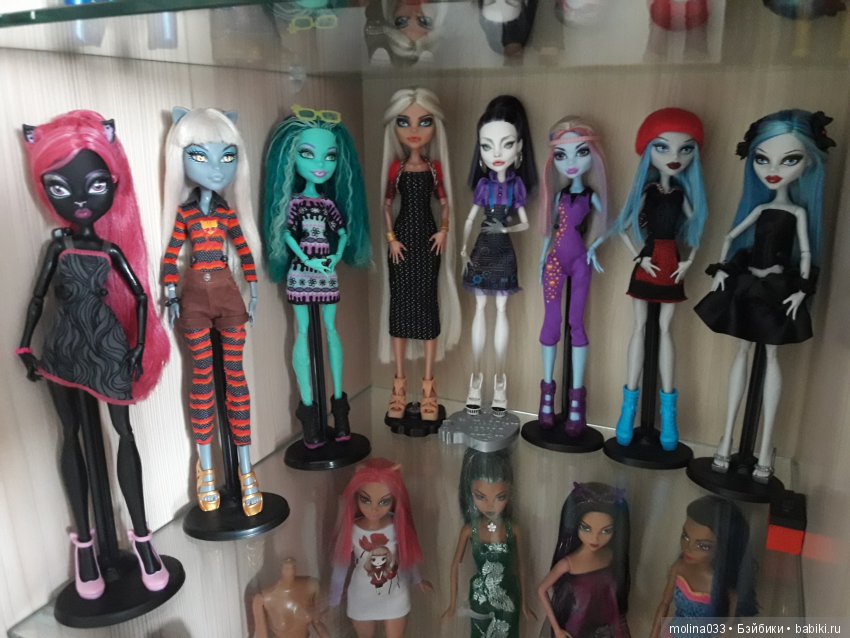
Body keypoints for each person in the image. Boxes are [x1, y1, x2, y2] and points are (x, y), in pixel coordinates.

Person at [18, 110, 170, 598]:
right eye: (61, 188)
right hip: (64, 346)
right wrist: (25, 343)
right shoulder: (57, 249)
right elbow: (38, 299)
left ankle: (142, 538)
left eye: (96, 184)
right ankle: (84, 544)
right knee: (71, 435)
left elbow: (141, 297)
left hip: (106, 345)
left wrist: (139, 346)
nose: (81, 199)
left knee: (124, 432)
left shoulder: (110, 250)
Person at [694, 109, 833, 482]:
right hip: (749, 283)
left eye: (789, 160)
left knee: (771, 357)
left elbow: (806, 253)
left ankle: (764, 448)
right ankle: (725, 441)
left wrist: (802, 289)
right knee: (741, 354)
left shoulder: (797, 212)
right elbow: (731, 235)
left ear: (808, 162)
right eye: (762, 159)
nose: (772, 169)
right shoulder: (760, 207)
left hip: (776, 289)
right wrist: (722, 267)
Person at [161, 107, 263, 516]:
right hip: (193, 298)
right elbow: (172, 252)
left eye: (227, 156)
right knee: (202, 378)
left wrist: (253, 288)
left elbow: (243, 250)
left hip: (227, 292)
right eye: (201, 156)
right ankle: (206, 470)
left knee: (235, 378)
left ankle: (245, 469)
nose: (217, 168)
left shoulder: (226, 214)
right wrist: (171, 291)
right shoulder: (185, 214)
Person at [591, 107, 708, 451]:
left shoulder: (683, 195)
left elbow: (697, 227)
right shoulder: (649, 191)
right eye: (663, 147)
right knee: (640, 328)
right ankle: (627, 409)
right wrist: (639, 256)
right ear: (648, 152)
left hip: (671, 264)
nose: (674, 157)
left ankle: (668, 414)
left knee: (666, 329)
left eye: (685, 149)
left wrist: (689, 261)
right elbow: (623, 226)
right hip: (649, 261)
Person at [263, 106, 370, 448]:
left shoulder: (328, 205)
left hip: (325, 270)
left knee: (331, 331)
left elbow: (342, 233)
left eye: (330, 156)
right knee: (303, 331)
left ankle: (339, 406)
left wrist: (334, 257)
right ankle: (309, 411)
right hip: (302, 271)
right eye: (308, 154)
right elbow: (287, 234)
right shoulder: (295, 204)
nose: (321, 164)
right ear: (291, 157)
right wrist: (308, 258)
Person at [378, 88, 461, 422]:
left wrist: (444, 230)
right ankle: (398, 387)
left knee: (427, 306)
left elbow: (445, 203)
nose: (414, 130)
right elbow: (386, 205)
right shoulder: (396, 168)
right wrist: (391, 239)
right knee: (399, 309)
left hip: (428, 241)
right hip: (401, 241)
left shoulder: (434, 168)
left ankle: (429, 389)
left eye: (424, 122)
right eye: (404, 122)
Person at [461, 95, 538, 415]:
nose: (496, 154)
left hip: (503, 250)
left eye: (505, 145)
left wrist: (506, 229)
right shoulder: (483, 187)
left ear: (519, 148)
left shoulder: (516, 187)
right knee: (480, 309)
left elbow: (526, 223)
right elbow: (470, 219)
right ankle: (475, 380)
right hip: (481, 249)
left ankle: (500, 382)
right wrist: (463, 249)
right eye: (487, 146)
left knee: (502, 310)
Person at [536, 116, 608, 435]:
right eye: (561, 155)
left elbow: (606, 224)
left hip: (581, 261)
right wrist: (541, 258)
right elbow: (550, 230)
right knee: (551, 323)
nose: (571, 163)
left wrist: (594, 248)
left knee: (576, 324)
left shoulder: (590, 196)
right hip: (554, 261)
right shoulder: (559, 197)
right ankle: (546, 396)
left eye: (581, 152)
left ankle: (576, 402)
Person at [330, 458, 430, 638]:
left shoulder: (396, 526)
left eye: (384, 502)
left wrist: (417, 579)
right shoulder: (352, 529)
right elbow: (341, 566)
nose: (374, 509)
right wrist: (333, 598)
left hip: (395, 594)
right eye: (366, 500)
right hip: (361, 596)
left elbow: (406, 555)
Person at [442, 448, 534, 637]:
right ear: (469, 493)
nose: (490, 505)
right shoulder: (470, 530)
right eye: (480, 497)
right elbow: (455, 566)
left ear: (510, 494)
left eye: (500, 497)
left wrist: (525, 603)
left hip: (508, 596)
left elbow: (522, 566)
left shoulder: (513, 529)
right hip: (480, 597)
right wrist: (452, 604)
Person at [651, 496, 757, 637]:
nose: (688, 548)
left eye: (703, 546)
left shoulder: (727, 589)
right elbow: (664, 604)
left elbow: (727, 631)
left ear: (725, 548)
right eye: (685, 537)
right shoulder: (679, 568)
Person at [538, 482, 630, 638]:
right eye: (586, 528)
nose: (595, 538)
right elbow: (541, 590)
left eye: (606, 531)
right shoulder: (568, 564)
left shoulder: (609, 556)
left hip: (605, 628)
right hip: (575, 627)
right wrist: (557, 629)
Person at [252, 557, 329, 638]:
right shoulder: (263, 599)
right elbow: (261, 635)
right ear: (281, 569)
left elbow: (317, 623)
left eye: (293, 567)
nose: (291, 571)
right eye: (287, 568)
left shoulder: (311, 586)